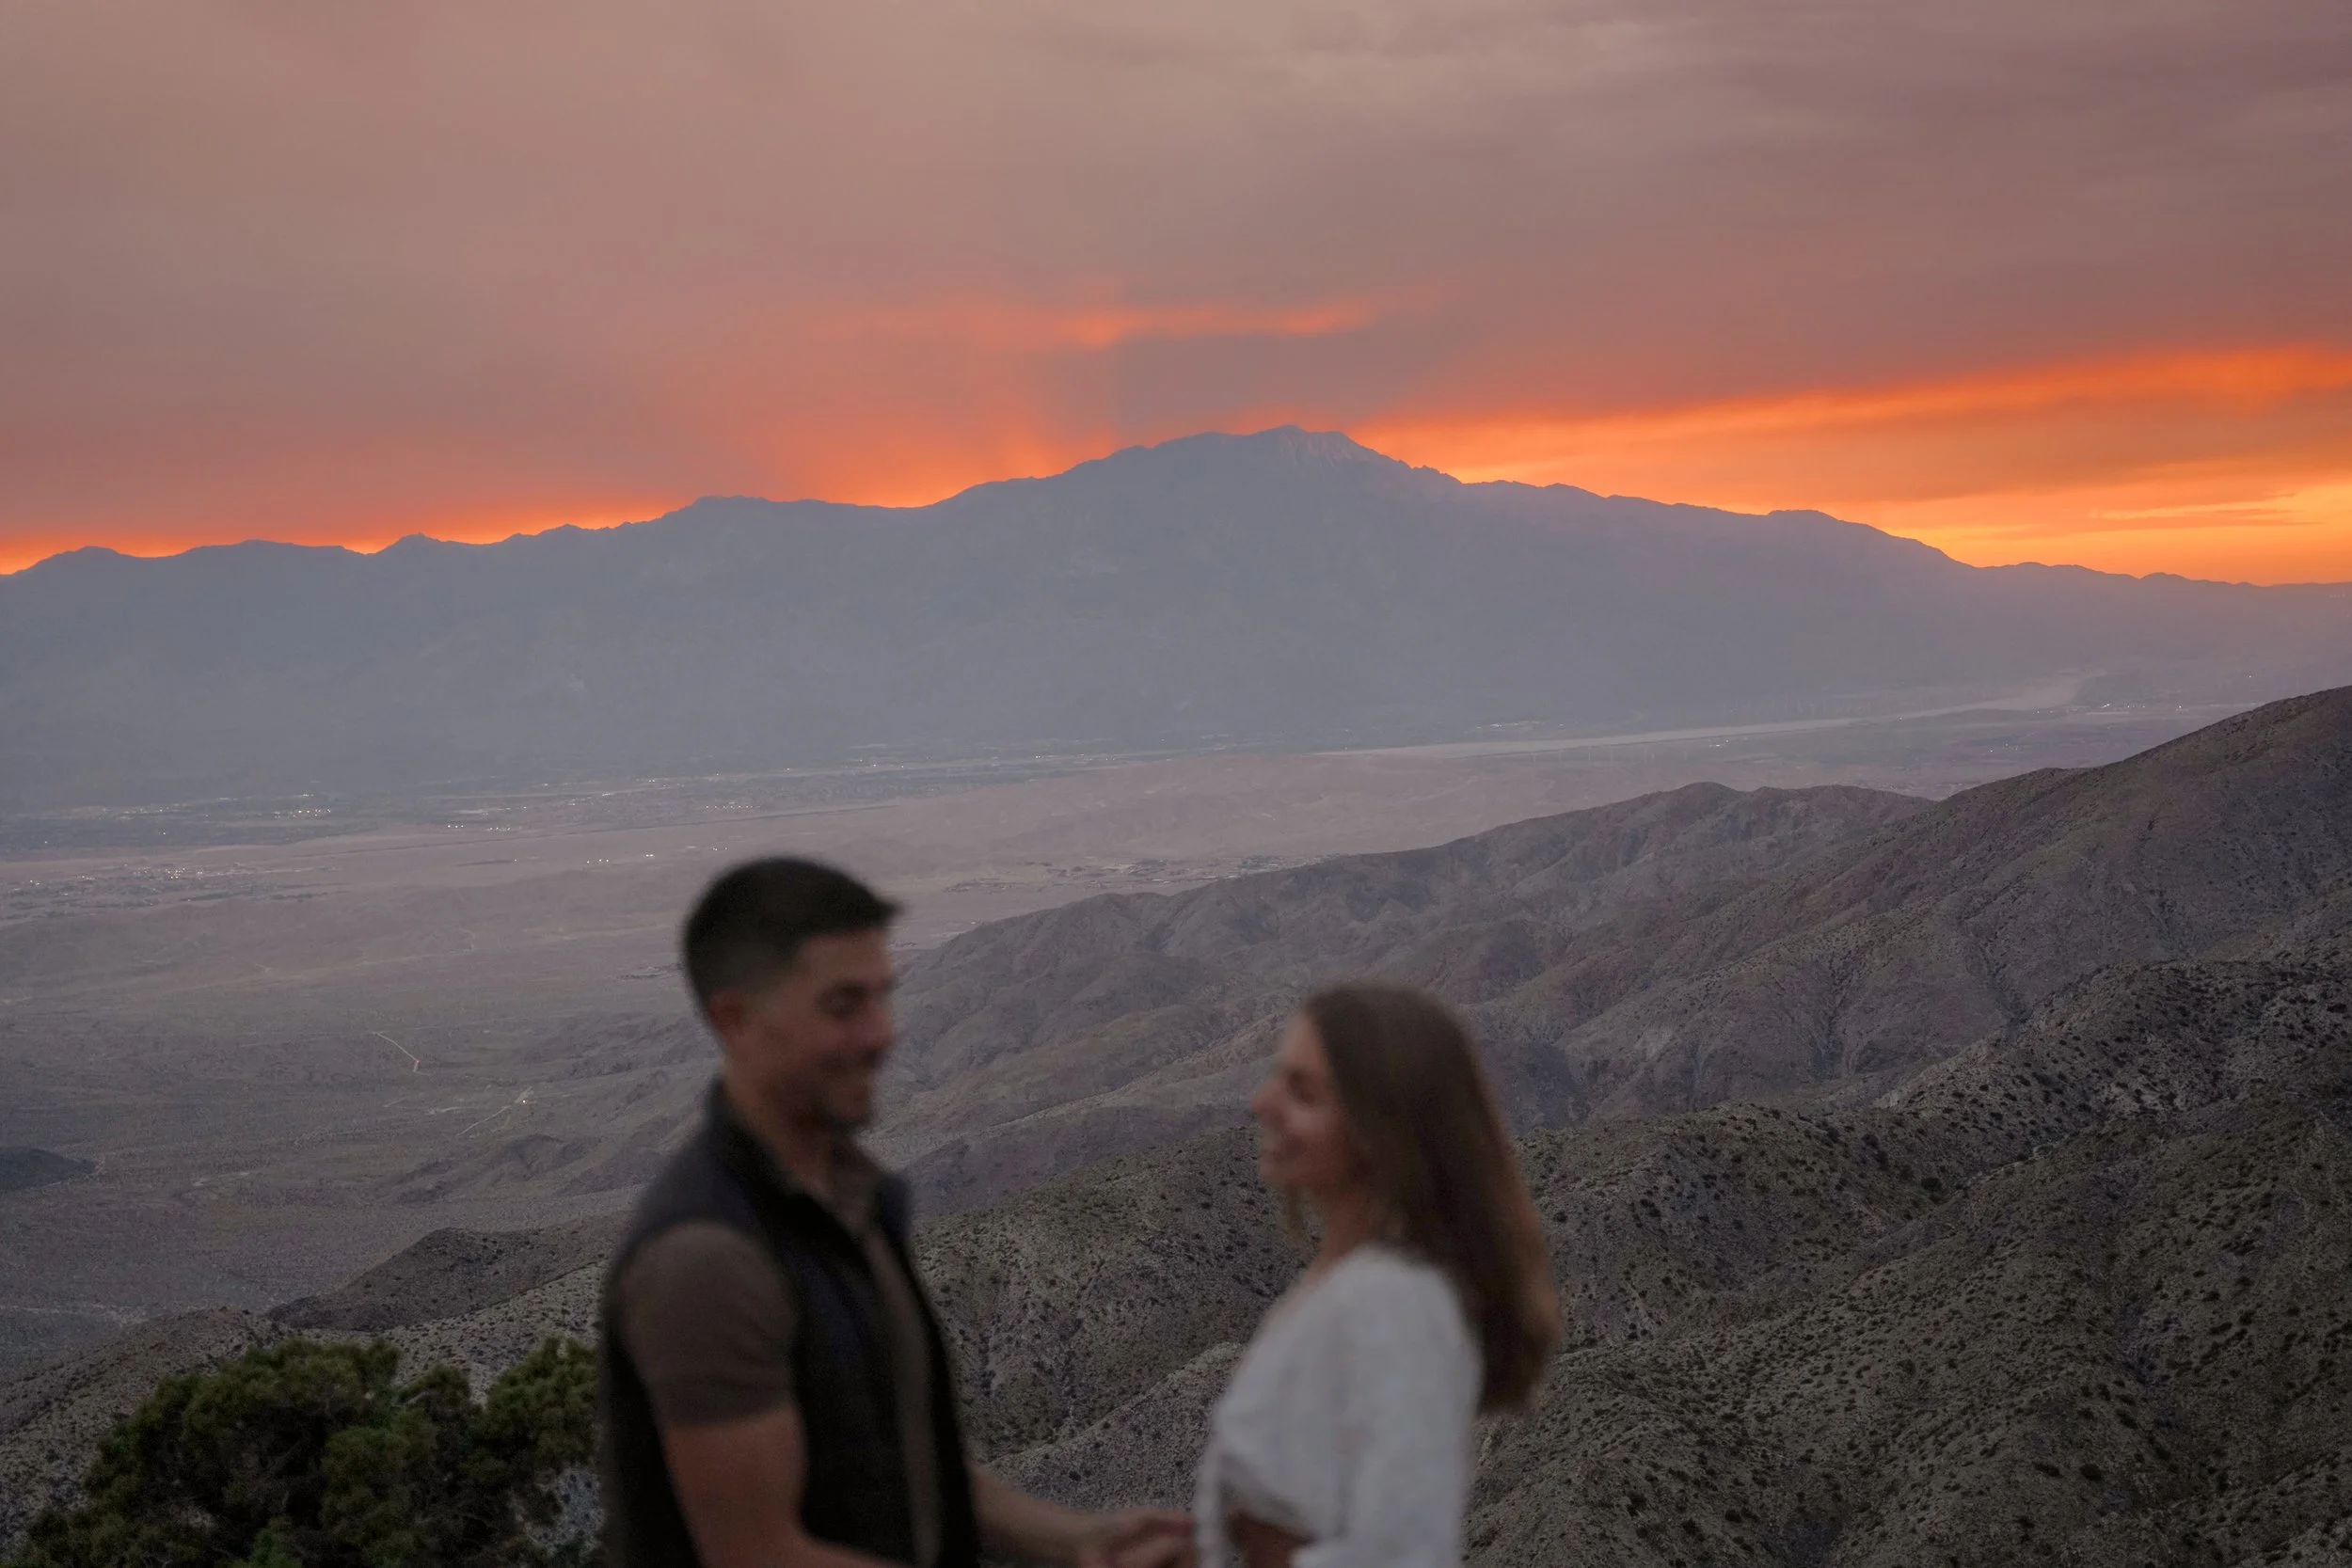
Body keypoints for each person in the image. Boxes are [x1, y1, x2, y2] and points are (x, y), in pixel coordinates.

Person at [599, 858, 1192, 1568]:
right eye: (843, 1005)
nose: (882, 1034)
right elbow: (759, 1555)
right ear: (737, 1019)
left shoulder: (857, 1203)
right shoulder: (706, 1258)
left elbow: (909, 1468)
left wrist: (1080, 1542)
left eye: (882, 997)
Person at [1193, 984, 1561, 1568]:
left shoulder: (1396, 1306)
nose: (1261, 1104)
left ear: (1379, 1131)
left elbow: (1406, 1554)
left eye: (1302, 1092)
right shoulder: (1340, 1283)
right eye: (1276, 1078)